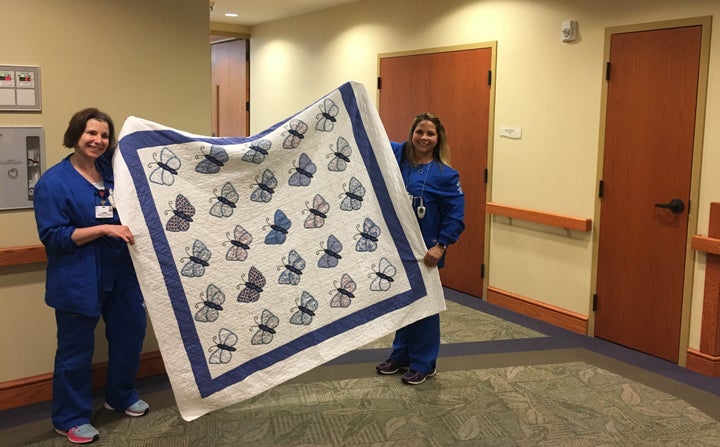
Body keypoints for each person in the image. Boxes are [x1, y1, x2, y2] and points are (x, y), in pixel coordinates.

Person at [33, 108, 149, 444]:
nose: (98, 140)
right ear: (76, 136)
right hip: (77, 278)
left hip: (121, 274)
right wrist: (101, 229)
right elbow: (53, 236)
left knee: (130, 335)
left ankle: (121, 395)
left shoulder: (114, 175)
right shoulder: (53, 183)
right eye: (91, 133)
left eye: (104, 135)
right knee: (75, 351)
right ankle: (69, 418)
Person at [376, 112, 465, 385]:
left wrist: (441, 246)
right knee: (404, 303)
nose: (424, 138)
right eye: (420, 132)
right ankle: (401, 355)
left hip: (426, 252)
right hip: (398, 249)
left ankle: (424, 363)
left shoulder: (445, 175)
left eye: (430, 134)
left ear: (438, 139)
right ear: (411, 133)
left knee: (425, 309)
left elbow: (455, 214)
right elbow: (372, 138)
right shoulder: (399, 158)